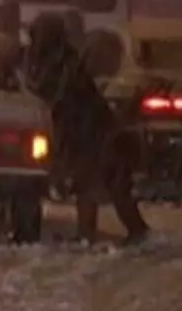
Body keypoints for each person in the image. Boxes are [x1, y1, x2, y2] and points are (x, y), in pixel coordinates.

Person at [22, 12, 149, 246]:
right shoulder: (55, 61)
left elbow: (59, 96)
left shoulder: (65, 66)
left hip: (90, 132)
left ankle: (117, 233)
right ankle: (100, 233)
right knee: (97, 184)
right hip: (84, 132)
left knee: (101, 184)